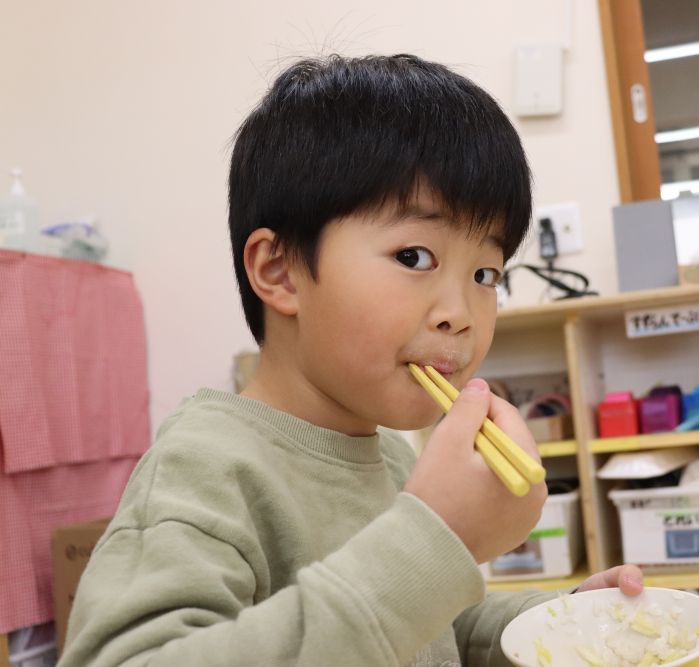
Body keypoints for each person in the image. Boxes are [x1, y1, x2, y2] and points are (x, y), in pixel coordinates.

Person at [59, 53, 643, 667]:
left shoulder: (388, 453)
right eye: (415, 257)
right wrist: (435, 542)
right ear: (279, 271)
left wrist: (560, 622)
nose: (462, 312)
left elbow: (431, 630)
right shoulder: (206, 468)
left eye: (485, 272)